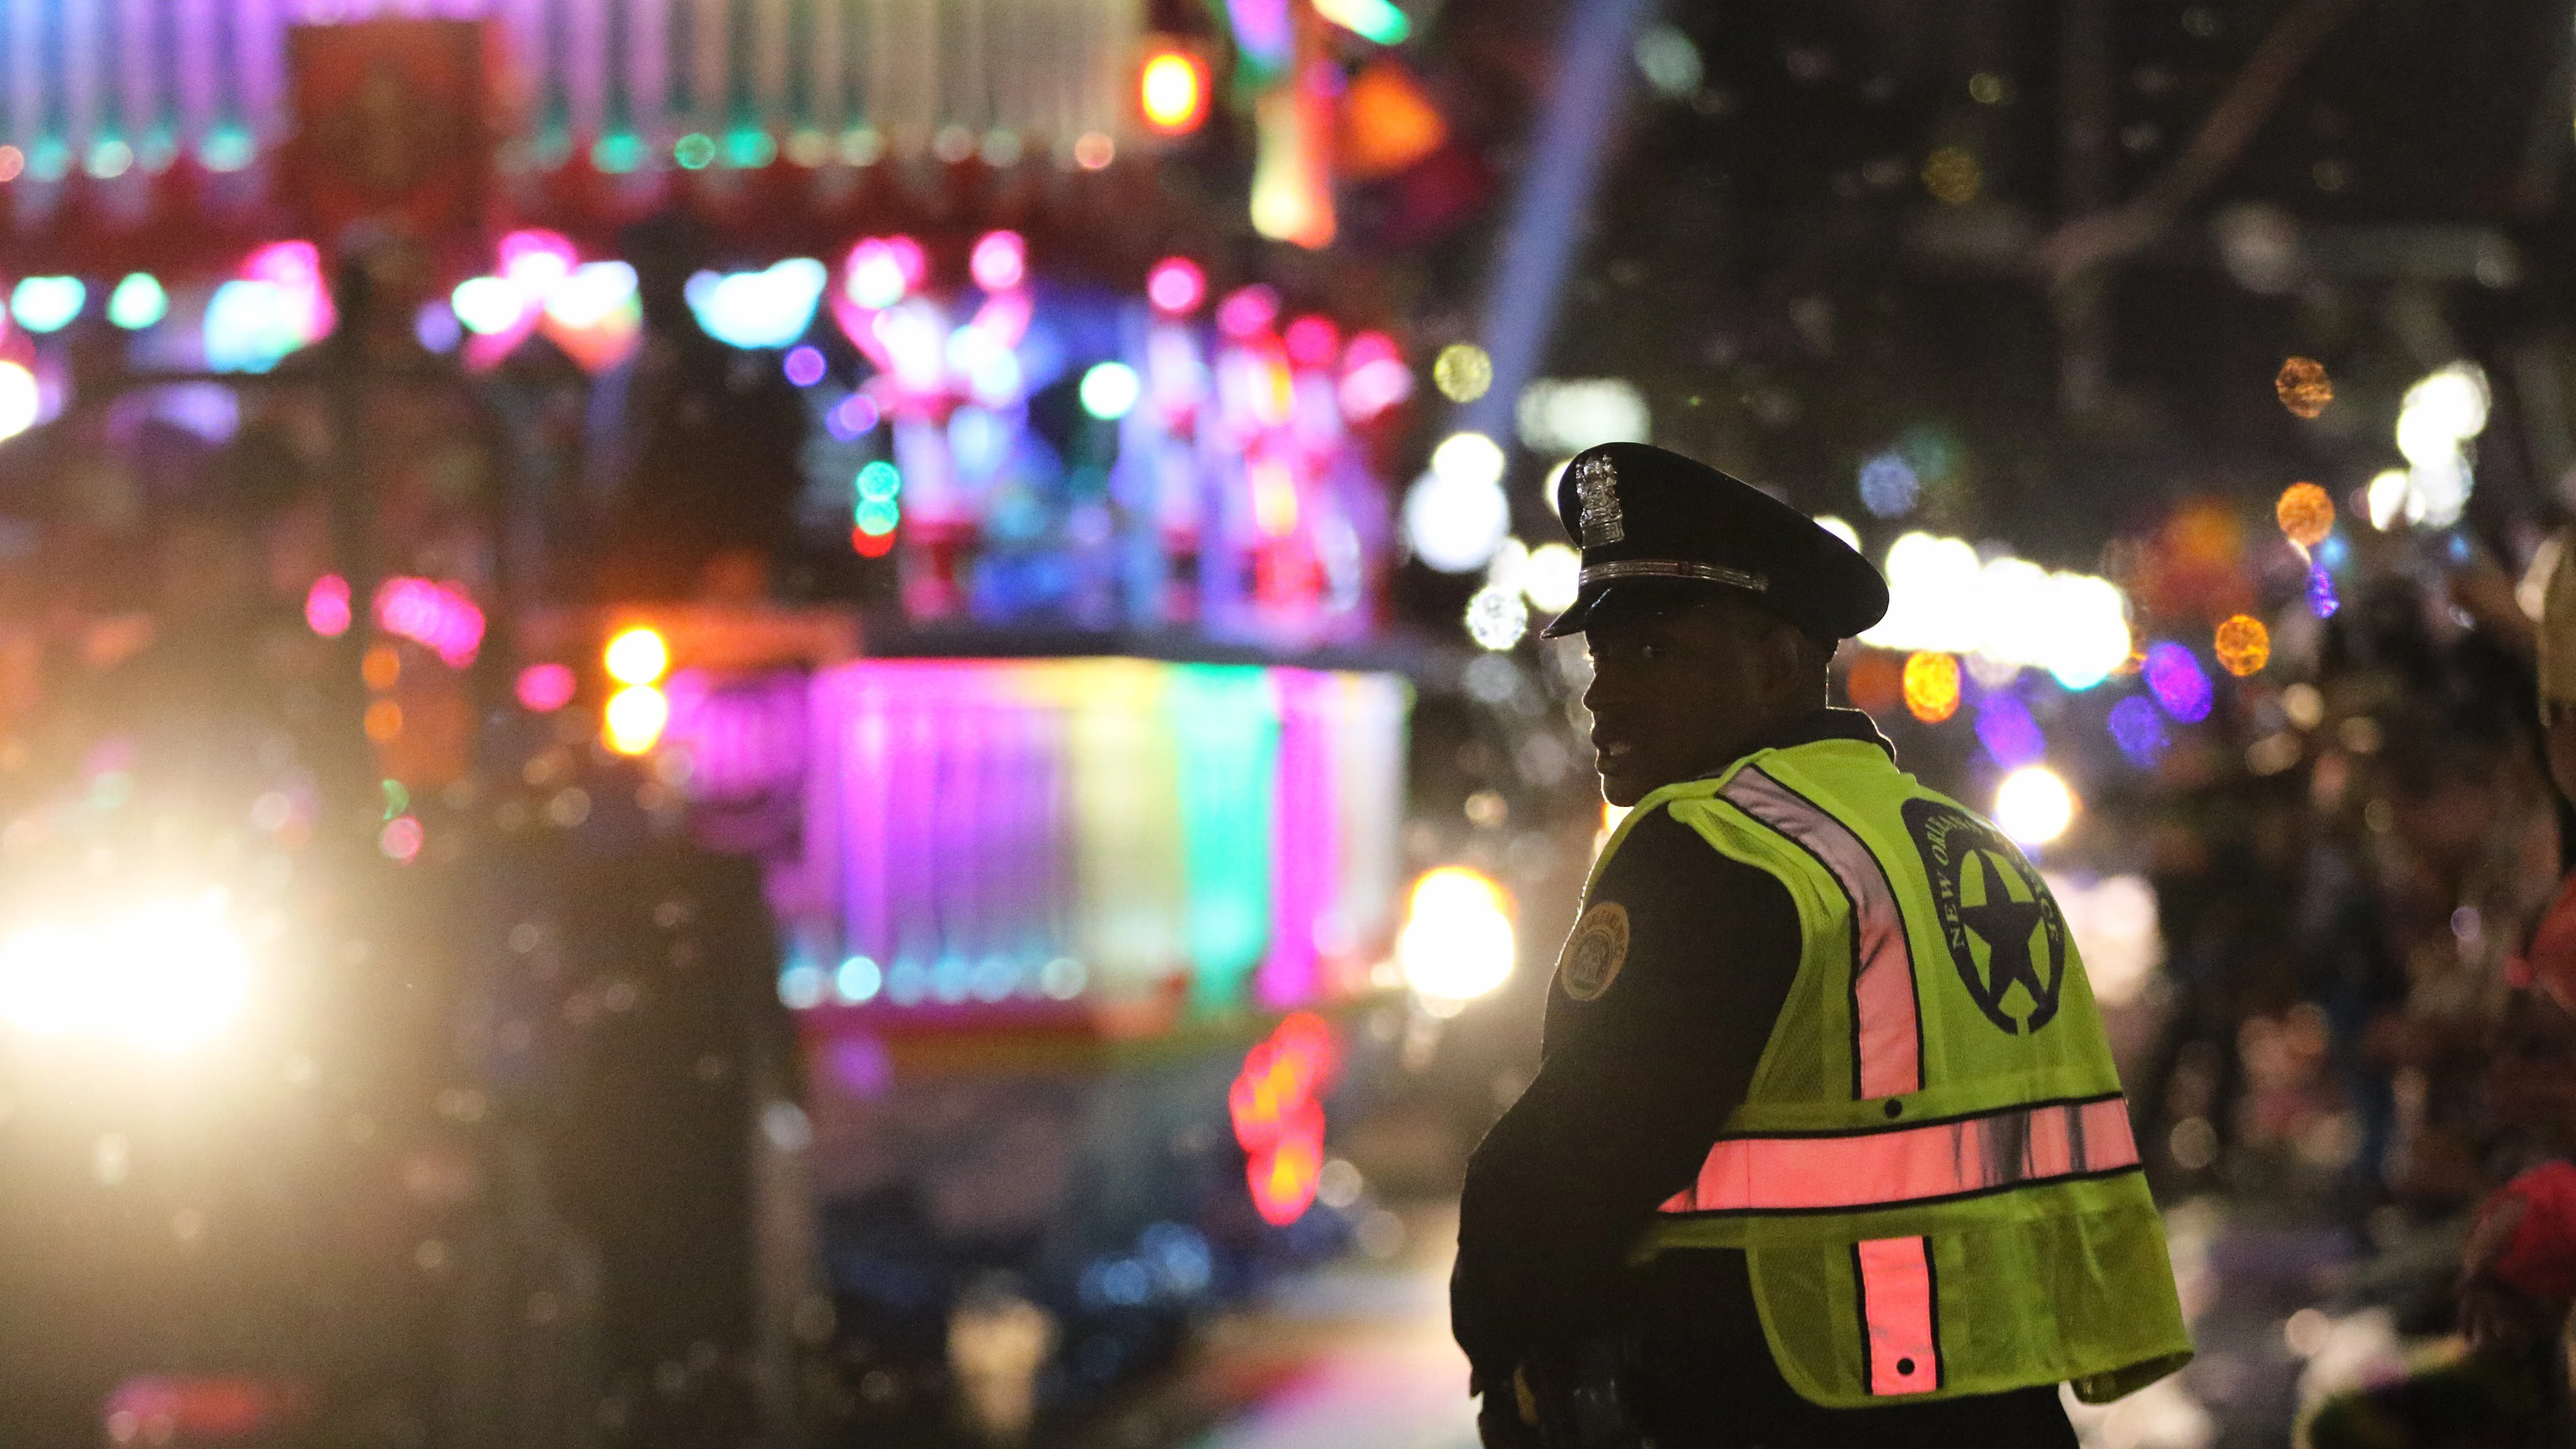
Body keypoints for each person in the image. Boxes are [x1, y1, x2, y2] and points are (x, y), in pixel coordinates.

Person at [1452, 443, 2193, 1449]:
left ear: (1778, 664)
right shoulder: (1963, 846)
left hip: (1783, 1396)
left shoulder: (1712, 846)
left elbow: (1576, 1162)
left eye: (1656, 654)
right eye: (1602, 657)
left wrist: (1505, 1343)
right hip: (2003, 1404)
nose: (1603, 694)